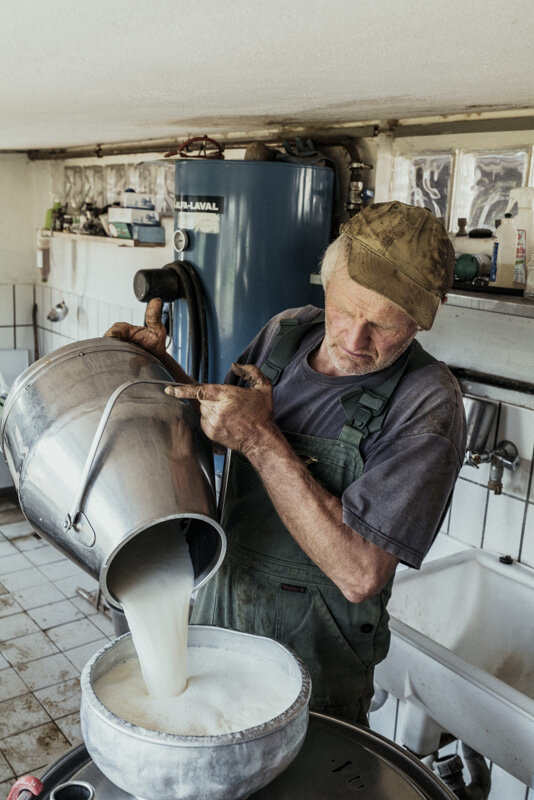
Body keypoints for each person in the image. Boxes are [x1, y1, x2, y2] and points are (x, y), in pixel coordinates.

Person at [105, 200, 466, 725]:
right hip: (213, 632)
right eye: (345, 309)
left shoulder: (428, 404)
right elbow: (223, 432)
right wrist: (155, 364)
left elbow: (360, 573)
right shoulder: (288, 333)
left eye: (384, 325)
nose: (354, 339)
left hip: (311, 681)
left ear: (423, 318)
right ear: (325, 281)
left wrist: (262, 439)